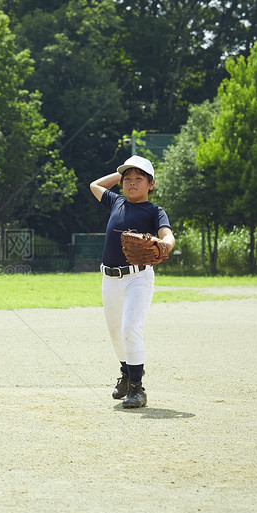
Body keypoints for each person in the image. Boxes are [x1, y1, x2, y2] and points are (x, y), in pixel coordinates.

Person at [89, 155, 175, 408]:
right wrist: (123, 172)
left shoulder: (154, 211)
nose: (131, 183)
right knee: (116, 334)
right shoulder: (116, 202)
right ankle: (126, 374)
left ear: (151, 184)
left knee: (130, 328)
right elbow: (95, 186)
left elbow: (167, 235)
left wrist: (164, 245)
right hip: (109, 278)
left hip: (138, 276)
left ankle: (138, 389)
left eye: (139, 179)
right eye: (128, 179)